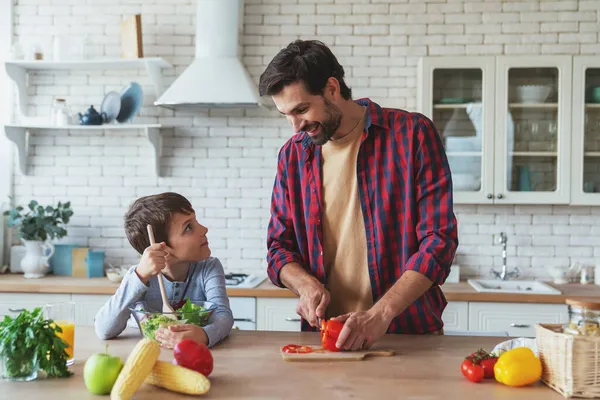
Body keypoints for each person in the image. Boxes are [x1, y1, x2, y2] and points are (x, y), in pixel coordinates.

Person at [260, 40, 458, 351]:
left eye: (301, 109)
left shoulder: (412, 134)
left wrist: (381, 314)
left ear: (331, 88)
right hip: (328, 339)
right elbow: (279, 249)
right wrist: (305, 284)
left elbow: (439, 241)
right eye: (286, 114)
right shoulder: (292, 157)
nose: (295, 126)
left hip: (407, 336)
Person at [94, 192, 233, 348]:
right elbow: (103, 329)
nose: (204, 229)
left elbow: (223, 316)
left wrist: (205, 335)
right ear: (163, 248)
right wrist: (140, 276)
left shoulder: (208, 268)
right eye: (188, 227)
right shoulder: (140, 275)